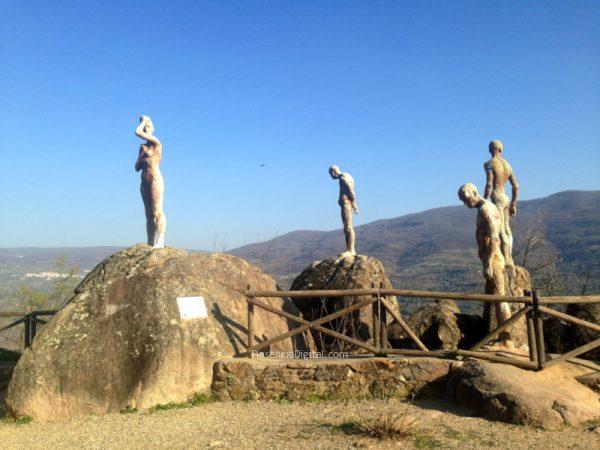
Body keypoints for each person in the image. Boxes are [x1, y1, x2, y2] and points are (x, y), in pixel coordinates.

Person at [458, 183, 513, 347]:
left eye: (466, 199)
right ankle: (502, 336)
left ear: (474, 192)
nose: (466, 204)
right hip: (491, 258)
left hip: (493, 260)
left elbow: (494, 237)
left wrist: (488, 263)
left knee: (500, 299)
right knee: (496, 298)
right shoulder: (486, 208)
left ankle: (506, 340)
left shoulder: (485, 210)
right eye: (463, 201)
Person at [483, 140, 519, 270]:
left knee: (500, 230)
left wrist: (485, 200)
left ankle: (507, 260)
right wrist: (514, 203)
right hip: (506, 198)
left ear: (490, 150)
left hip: (497, 197)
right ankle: (509, 256)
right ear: (500, 150)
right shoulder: (507, 165)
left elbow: (489, 185)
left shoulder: (490, 164)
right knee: (507, 228)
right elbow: (515, 185)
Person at [135, 115, 166, 248]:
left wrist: (143, 121)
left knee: (156, 211)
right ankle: (150, 241)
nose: (146, 129)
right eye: (145, 126)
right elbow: (136, 167)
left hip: (155, 179)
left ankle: (161, 240)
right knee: (148, 214)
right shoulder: (143, 147)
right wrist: (142, 154)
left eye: (148, 126)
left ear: (152, 128)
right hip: (144, 182)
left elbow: (137, 132)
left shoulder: (156, 144)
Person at [329, 165, 359, 255]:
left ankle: (351, 250)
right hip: (346, 203)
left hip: (346, 204)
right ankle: (350, 249)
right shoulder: (347, 175)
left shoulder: (343, 178)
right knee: (347, 227)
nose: (331, 177)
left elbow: (351, 192)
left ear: (333, 172)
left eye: (331, 174)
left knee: (348, 227)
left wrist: (355, 205)